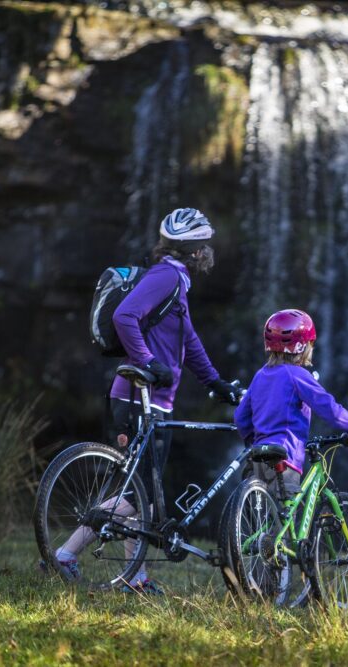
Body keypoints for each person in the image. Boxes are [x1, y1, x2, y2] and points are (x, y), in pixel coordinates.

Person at [48, 207, 242, 594]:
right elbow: (124, 316)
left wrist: (216, 382)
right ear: (193, 250)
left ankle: (132, 578)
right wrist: (148, 362)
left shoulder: (177, 282)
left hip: (154, 403)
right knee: (138, 498)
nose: (210, 251)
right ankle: (67, 558)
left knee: (137, 495)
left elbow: (189, 342)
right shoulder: (167, 276)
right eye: (205, 244)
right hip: (137, 399)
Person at [234, 309, 348, 501]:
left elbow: (241, 416)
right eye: (311, 343)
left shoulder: (261, 375)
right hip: (285, 457)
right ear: (302, 346)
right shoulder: (297, 375)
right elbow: (328, 408)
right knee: (285, 520)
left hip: (259, 455)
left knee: (265, 514)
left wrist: (255, 440)